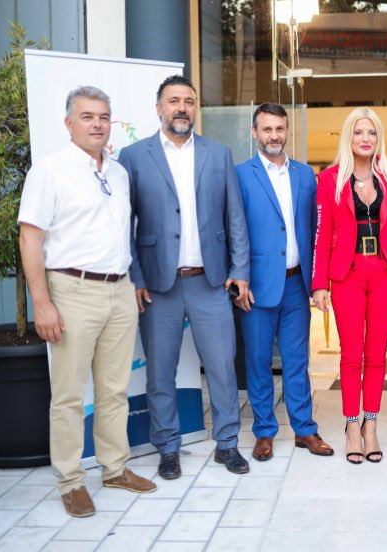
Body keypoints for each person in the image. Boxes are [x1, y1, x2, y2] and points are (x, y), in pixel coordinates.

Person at [18, 86, 156, 518]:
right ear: (69, 123)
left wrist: (129, 283)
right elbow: (30, 238)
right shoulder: (49, 171)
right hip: (72, 292)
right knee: (69, 395)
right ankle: (71, 481)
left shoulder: (118, 172)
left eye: (103, 117)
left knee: (115, 389)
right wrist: (42, 303)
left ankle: (115, 468)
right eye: (87, 116)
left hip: (119, 290)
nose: (97, 124)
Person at [118, 75, 251, 478]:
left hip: (210, 282)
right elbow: (123, 223)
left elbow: (235, 217)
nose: (182, 107)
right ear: (159, 107)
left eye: (189, 101)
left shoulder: (218, 153)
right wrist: (136, 276)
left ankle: (227, 444)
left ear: (196, 108)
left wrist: (239, 270)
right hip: (159, 286)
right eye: (174, 100)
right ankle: (167, 448)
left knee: (223, 368)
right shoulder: (134, 156)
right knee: (161, 372)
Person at [312, 107, 387, 464]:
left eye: (371, 132)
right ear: (349, 136)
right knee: (351, 354)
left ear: (379, 138)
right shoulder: (329, 179)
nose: (365, 138)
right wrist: (320, 283)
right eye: (358, 132)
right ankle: (351, 425)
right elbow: (322, 234)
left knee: (376, 354)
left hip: (385, 272)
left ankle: (370, 425)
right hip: (348, 273)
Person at [235, 103, 334, 461]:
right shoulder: (240, 175)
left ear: (287, 131)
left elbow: (316, 230)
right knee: (258, 362)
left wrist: (318, 281)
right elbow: (234, 230)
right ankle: (264, 431)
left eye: (279, 129)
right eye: (267, 129)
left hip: (296, 284)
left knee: (296, 361)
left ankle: (304, 429)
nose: (274, 135)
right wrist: (239, 278)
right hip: (256, 286)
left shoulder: (305, 175)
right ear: (254, 133)